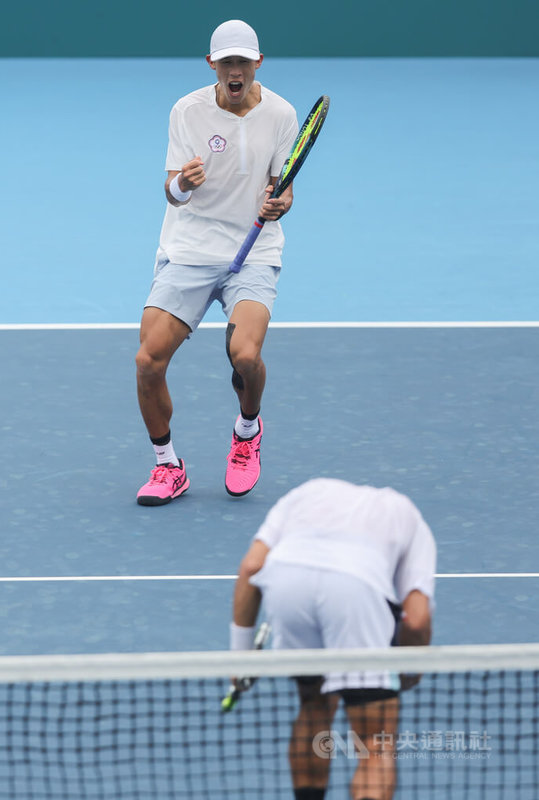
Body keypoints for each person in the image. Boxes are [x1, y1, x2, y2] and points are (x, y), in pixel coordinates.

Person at [135, 19, 299, 506]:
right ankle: (168, 467)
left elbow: (284, 188)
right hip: (189, 250)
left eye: (242, 62)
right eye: (225, 62)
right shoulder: (186, 111)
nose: (234, 70)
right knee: (147, 362)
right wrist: (183, 183)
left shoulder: (283, 115)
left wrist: (279, 203)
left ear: (257, 64)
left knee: (245, 356)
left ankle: (247, 430)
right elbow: (170, 191)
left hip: (253, 251)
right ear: (212, 65)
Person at [230, 478, 436, 800]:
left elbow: (252, 567)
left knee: (314, 704)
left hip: (288, 583)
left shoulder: (305, 493)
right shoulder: (408, 516)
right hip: (355, 591)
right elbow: (418, 618)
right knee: (374, 742)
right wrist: (410, 667)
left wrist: (239, 657)